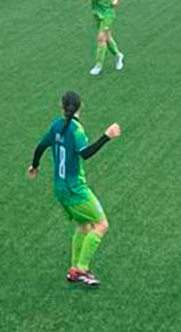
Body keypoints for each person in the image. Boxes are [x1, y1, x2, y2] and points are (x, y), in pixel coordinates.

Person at [27, 90, 121, 288]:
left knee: (84, 226)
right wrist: (107, 136)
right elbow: (85, 154)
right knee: (101, 225)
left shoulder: (56, 126)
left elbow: (41, 146)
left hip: (60, 190)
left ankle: (74, 269)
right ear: (81, 107)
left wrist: (35, 165)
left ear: (62, 106)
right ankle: (82, 270)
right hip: (75, 190)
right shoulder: (77, 131)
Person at [83, 0, 124, 75]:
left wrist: (116, 0)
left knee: (101, 38)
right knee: (107, 37)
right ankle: (118, 55)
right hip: (97, 13)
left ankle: (98, 65)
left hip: (108, 13)